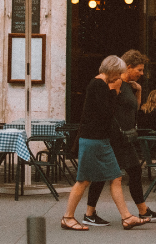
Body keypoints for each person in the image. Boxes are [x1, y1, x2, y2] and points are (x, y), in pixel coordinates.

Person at [60, 55, 149, 231]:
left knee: (116, 177)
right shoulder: (98, 85)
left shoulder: (101, 85)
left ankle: (127, 217)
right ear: (111, 71)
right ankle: (67, 217)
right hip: (92, 140)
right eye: (117, 75)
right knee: (83, 181)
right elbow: (106, 113)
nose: (118, 79)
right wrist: (114, 92)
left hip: (100, 139)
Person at [83, 50, 156, 227]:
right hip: (116, 137)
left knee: (131, 171)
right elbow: (110, 108)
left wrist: (139, 91)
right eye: (139, 70)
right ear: (128, 67)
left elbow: (134, 110)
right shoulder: (117, 82)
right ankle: (90, 213)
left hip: (126, 137)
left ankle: (141, 210)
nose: (142, 74)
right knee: (104, 175)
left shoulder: (130, 86)